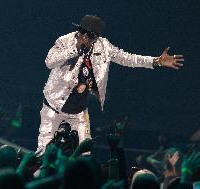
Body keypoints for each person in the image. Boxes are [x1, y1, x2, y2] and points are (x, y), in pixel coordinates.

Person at [37, 15, 184, 155]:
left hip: (79, 112)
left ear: (97, 37)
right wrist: (75, 49)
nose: (85, 37)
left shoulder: (104, 46)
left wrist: (156, 61)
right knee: (43, 153)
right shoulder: (64, 41)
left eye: (91, 35)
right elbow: (49, 62)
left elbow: (128, 58)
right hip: (53, 107)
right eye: (82, 32)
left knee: (85, 156)